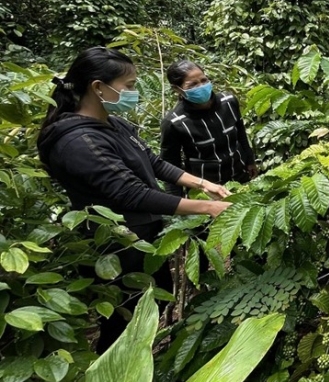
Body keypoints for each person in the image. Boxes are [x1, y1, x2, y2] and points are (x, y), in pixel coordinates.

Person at [37, 47, 232, 353]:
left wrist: (204, 184)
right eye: (128, 86)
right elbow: (131, 193)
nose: (133, 92)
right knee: (123, 319)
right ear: (98, 87)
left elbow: (153, 163)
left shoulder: (112, 124)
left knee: (154, 299)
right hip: (115, 248)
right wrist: (208, 208)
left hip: (141, 237)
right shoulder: (77, 141)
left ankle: (146, 367)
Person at [160, 60, 257, 197]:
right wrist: (177, 202)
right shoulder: (174, 122)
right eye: (192, 84)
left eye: (204, 80)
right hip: (206, 190)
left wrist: (250, 161)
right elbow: (170, 164)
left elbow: (240, 132)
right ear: (177, 89)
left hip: (240, 177)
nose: (201, 86)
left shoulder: (228, 102)